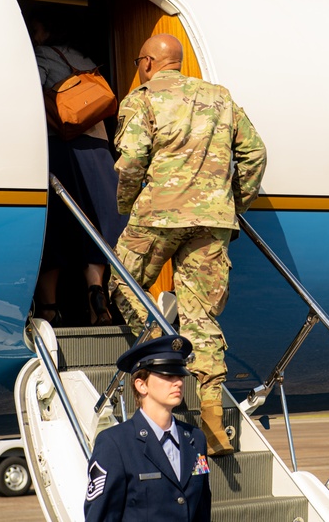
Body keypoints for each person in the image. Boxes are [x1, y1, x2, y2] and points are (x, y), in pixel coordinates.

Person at [109, 33, 267, 456]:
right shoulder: (220, 97)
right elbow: (255, 154)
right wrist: (233, 203)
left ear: (146, 63)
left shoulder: (140, 99)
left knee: (123, 282)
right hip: (211, 219)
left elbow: (131, 162)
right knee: (201, 314)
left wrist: (125, 206)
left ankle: (161, 356)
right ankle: (214, 420)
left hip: (158, 213)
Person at [28, 15, 127, 327]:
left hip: (61, 147)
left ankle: (49, 308)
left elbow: (29, 97)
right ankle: (96, 291)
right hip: (97, 149)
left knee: (55, 227)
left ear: (44, 30)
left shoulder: (40, 56)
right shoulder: (85, 59)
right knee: (94, 224)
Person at [84, 335, 211, 522]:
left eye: (180, 375)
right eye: (167, 375)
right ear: (141, 385)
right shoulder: (115, 444)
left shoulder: (195, 439)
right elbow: (101, 516)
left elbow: (202, 510)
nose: (178, 382)